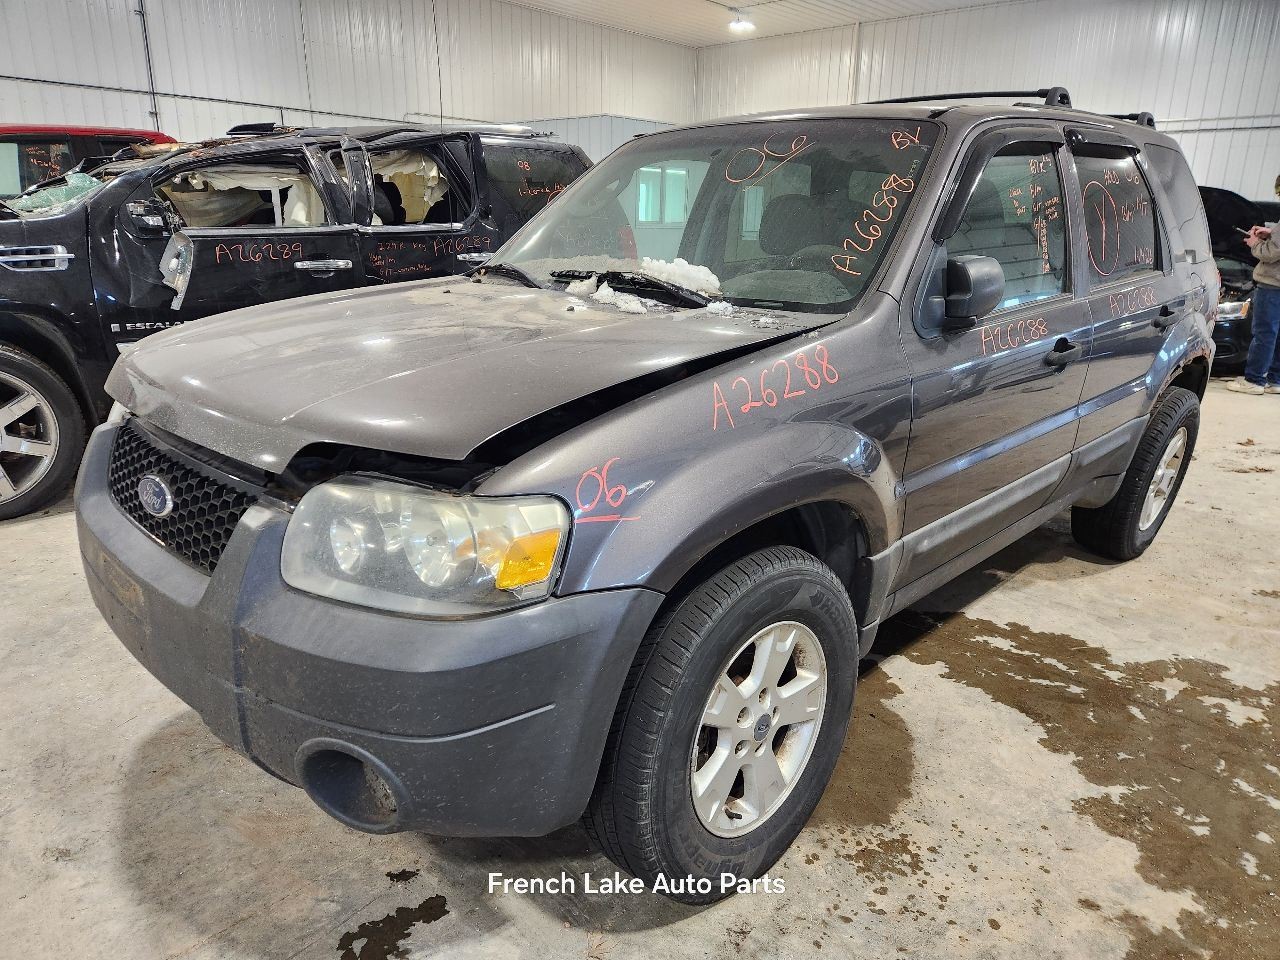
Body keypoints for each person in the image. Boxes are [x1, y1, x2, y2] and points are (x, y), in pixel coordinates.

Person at [1228, 223, 1280, 395]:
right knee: (1276, 335)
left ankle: (1254, 380)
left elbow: (1271, 253)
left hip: (1273, 285)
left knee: (1264, 333)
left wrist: (1255, 243)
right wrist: (1272, 233)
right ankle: (1275, 380)